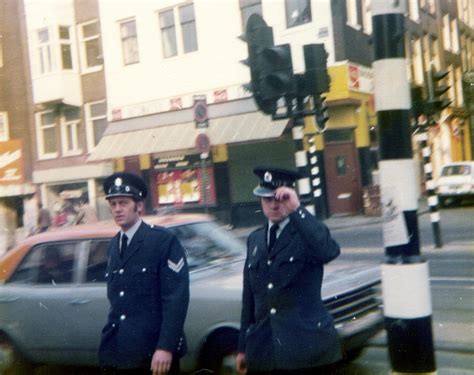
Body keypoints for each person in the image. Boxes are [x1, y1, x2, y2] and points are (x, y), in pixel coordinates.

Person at [236, 166, 342, 375]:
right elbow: (249, 298)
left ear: (292, 198)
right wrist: (243, 347)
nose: (274, 205)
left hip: (305, 352)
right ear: (260, 201)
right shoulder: (255, 239)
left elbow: (329, 251)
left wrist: (297, 209)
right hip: (265, 351)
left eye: (280, 199)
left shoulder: (306, 232)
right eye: (267, 199)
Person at [98, 172, 190, 375]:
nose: (117, 209)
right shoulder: (114, 245)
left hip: (153, 353)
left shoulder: (162, 241)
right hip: (120, 350)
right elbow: (117, 299)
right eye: (113, 204)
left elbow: (176, 299)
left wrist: (166, 347)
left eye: (123, 203)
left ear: (138, 206)